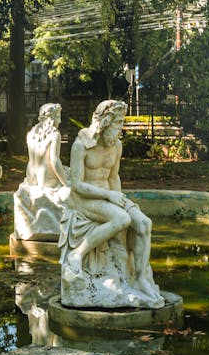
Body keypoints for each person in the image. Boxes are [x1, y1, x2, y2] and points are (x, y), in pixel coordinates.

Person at [59, 100, 163, 308]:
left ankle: (140, 278)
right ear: (104, 123)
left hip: (109, 197)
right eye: (117, 125)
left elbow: (114, 178)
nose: (119, 131)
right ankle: (76, 255)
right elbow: (77, 185)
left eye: (121, 125)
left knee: (144, 223)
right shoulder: (81, 146)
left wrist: (120, 199)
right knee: (122, 219)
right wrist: (109, 197)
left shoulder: (117, 146)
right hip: (84, 199)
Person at [13, 103, 69, 241]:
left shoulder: (31, 133)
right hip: (47, 180)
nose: (60, 121)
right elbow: (55, 162)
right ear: (52, 118)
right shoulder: (55, 134)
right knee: (69, 175)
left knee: (67, 170)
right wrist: (66, 183)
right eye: (58, 117)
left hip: (32, 177)